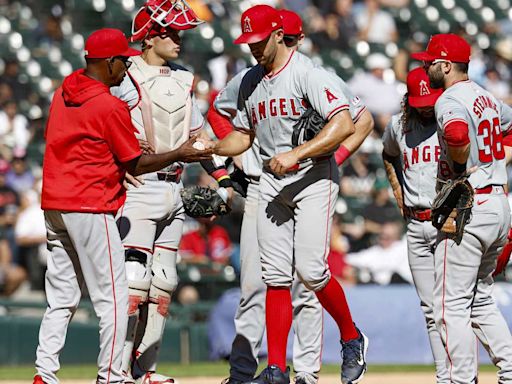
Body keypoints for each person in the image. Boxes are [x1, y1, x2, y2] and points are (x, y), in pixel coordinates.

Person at [33, 28, 212, 384]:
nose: (126, 67)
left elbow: (83, 145)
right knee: (114, 299)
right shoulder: (109, 104)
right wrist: (179, 153)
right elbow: (136, 163)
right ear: (110, 62)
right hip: (88, 205)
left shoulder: (63, 92)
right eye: (123, 61)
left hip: (54, 205)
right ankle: (113, 376)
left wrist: (113, 168)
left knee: (62, 297)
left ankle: (44, 374)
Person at [208, 8, 373, 384]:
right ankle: (278, 369)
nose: (252, 48)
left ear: (279, 35)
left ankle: (351, 336)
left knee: (312, 270)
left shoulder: (308, 74)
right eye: (247, 42)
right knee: (277, 279)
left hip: (313, 177)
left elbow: (346, 122)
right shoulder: (250, 80)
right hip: (271, 181)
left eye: (259, 40)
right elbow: (243, 136)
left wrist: (298, 154)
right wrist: (211, 147)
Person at [110, 1, 233, 383]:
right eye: (172, 32)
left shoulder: (182, 79)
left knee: (163, 281)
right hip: (138, 187)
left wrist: (224, 179)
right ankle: (115, 371)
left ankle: (145, 369)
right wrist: (112, 167)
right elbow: (102, 128)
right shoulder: (124, 77)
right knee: (133, 281)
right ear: (150, 36)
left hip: (174, 187)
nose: (179, 39)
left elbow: (197, 138)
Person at [413, 33, 512, 384]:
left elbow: (456, 135)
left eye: (429, 62)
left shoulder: (449, 99)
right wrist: (492, 163)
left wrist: (458, 170)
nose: (425, 67)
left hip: (472, 204)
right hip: (499, 202)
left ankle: (460, 380)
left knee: (449, 305)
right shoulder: (485, 95)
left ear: (446, 65)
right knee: (480, 299)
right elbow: (509, 127)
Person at [381, 67, 450, 382]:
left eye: (430, 99)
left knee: (454, 306)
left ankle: (463, 372)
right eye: (420, 100)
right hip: (415, 225)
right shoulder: (399, 125)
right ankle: (444, 375)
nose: (426, 106)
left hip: (447, 223)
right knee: (429, 308)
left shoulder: (450, 120)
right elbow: (387, 154)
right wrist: (397, 191)